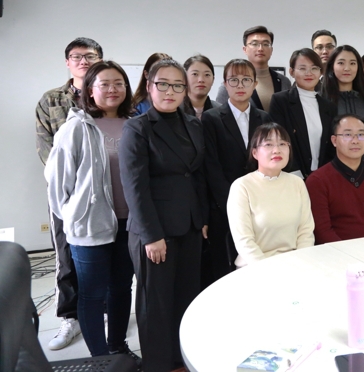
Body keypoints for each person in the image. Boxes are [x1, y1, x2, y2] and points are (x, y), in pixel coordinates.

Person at [45, 61, 139, 363]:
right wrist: (76, 215)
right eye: (105, 84)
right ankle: (100, 358)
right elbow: (57, 184)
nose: (113, 89)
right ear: (89, 90)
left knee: (121, 289)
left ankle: (118, 348)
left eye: (119, 83)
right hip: (89, 227)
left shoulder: (134, 124)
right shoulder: (76, 127)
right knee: (92, 293)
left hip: (129, 224)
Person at [119, 58, 208, 372]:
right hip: (155, 231)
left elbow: (197, 175)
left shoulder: (193, 124)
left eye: (177, 85)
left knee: (186, 299)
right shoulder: (137, 127)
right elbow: (134, 187)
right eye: (163, 84)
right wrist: (152, 236)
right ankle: (157, 365)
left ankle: (181, 361)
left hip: (190, 226)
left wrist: (202, 218)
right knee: (155, 307)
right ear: (149, 86)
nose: (170, 91)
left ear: (185, 90)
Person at [35, 36, 103, 351]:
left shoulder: (108, 93)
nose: (83, 61)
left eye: (90, 56)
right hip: (65, 195)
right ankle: (70, 317)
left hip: (104, 192)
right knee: (66, 257)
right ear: (67, 62)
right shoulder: (51, 100)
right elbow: (46, 149)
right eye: (77, 56)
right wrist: (71, 186)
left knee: (105, 255)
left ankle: (103, 311)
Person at [202, 59, 273, 283]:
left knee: (256, 264)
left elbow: (268, 160)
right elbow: (211, 165)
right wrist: (233, 202)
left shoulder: (264, 118)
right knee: (225, 267)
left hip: (259, 204)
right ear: (225, 84)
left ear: (255, 84)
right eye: (233, 80)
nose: (240, 85)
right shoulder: (211, 118)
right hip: (224, 205)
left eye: (246, 80)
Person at [227, 123, 314, 267]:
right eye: (268, 144)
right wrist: (268, 270)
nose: (277, 150)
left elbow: (306, 232)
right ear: (255, 153)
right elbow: (244, 241)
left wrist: (301, 263)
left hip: (296, 264)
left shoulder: (297, 183)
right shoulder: (242, 186)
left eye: (282, 144)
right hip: (254, 267)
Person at [306, 115, 364, 243]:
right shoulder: (317, 180)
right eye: (348, 135)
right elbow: (322, 231)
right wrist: (347, 253)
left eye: (361, 135)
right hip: (337, 252)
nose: (355, 141)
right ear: (334, 141)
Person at [269, 49, 337, 179]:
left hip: (323, 176)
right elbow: (278, 140)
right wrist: (296, 175)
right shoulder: (281, 101)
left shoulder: (328, 106)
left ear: (321, 72)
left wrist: (325, 173)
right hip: (291, 175)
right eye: (302, 68)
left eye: (314, 68)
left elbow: (331, 145)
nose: (309, 73)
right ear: (292, 72)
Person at [321, 45, 364, 163]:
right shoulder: (322, 99)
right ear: (332, 67)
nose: (347, 68)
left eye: (352, 63)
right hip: (332, 169)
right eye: (341, 63)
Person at [216, 26, 292, 111]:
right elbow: (220, 113)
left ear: (271, 50)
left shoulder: (284, 81)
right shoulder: (232, 83)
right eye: (254, 44)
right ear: (245, 49)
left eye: (266, 44)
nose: (260, 48)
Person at [182, 54, 221, 120]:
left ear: (213, 79)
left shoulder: (220, 112)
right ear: (184, 78)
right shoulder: (174, 109)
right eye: (195, 74)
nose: (201, 80)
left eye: (207, 75)